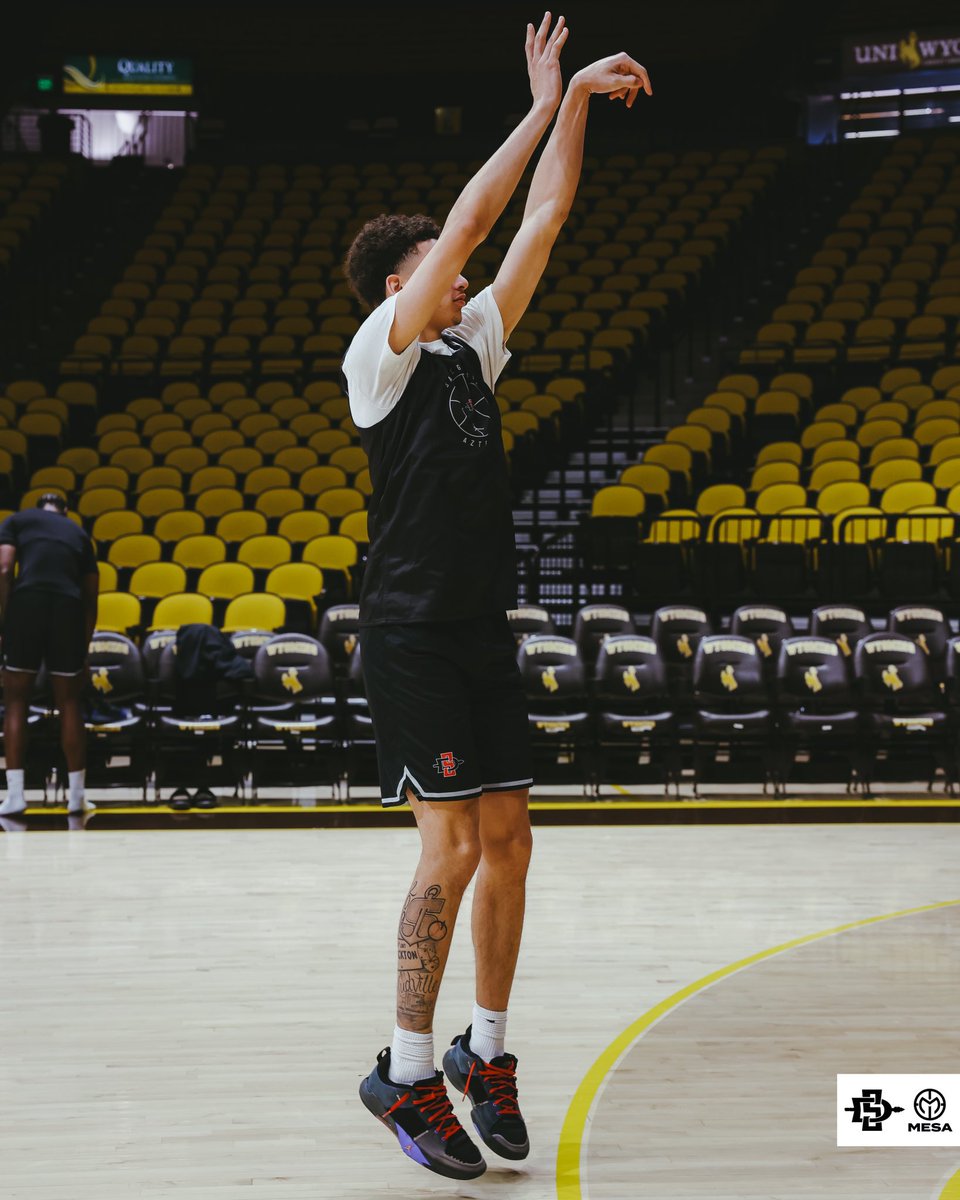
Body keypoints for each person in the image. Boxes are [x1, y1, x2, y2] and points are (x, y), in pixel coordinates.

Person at [343, 13, 651, 1180]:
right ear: (394, 286)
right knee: (452, 852)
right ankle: (406, 1073)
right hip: (413, 628)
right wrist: (539, 96)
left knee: (513, 843)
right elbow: (477, 216)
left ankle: (489, 1052)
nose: (461, 273)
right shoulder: (382, 355)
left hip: (479, 623)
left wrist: (571, 108)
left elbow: (540, 218)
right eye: (435, 267)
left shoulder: (473, 345)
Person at [0, 494, 99, 817]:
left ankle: (15, 797)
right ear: (65, 512)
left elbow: (3, 569)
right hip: (67, 607)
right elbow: (91, 597)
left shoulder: (17, 521)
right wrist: (82, 651)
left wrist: (4, 619)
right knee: (69, 701)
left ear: (37, 509)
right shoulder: (79, 534)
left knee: (16, 700)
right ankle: (76, 798)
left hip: (27, 604)